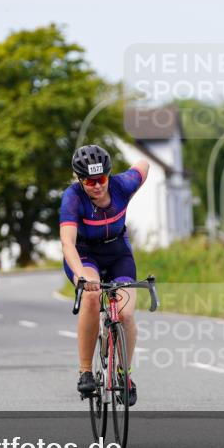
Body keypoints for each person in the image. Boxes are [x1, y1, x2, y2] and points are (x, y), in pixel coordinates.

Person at [60, 144, 149, 406]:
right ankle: (86, 371)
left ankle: (125, 373)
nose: (97, 186)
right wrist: (80, 276)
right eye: (90, 181)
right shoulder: (73, 198)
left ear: (108, 175)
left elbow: (144, 165)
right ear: (79, 179)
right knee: (92, 294)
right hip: (85, 255)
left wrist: (137, 161)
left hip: (118, 253)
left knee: (125, 313)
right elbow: (67, 243)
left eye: (101, 180)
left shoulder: (123, 185)